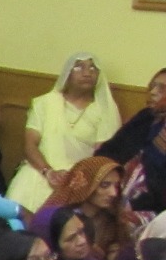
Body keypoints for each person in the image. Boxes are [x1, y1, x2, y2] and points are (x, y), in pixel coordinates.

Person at [13, 53, 121, 210]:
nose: (87, 73)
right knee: (18, 206)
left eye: (93, 68)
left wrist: (73, 178)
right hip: (39, 169)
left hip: (80, 178)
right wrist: (48, 172)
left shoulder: (105, 111)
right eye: (79, 67)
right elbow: (30, 144)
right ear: (67, 74)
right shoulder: (46, 102)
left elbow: (101, 158)